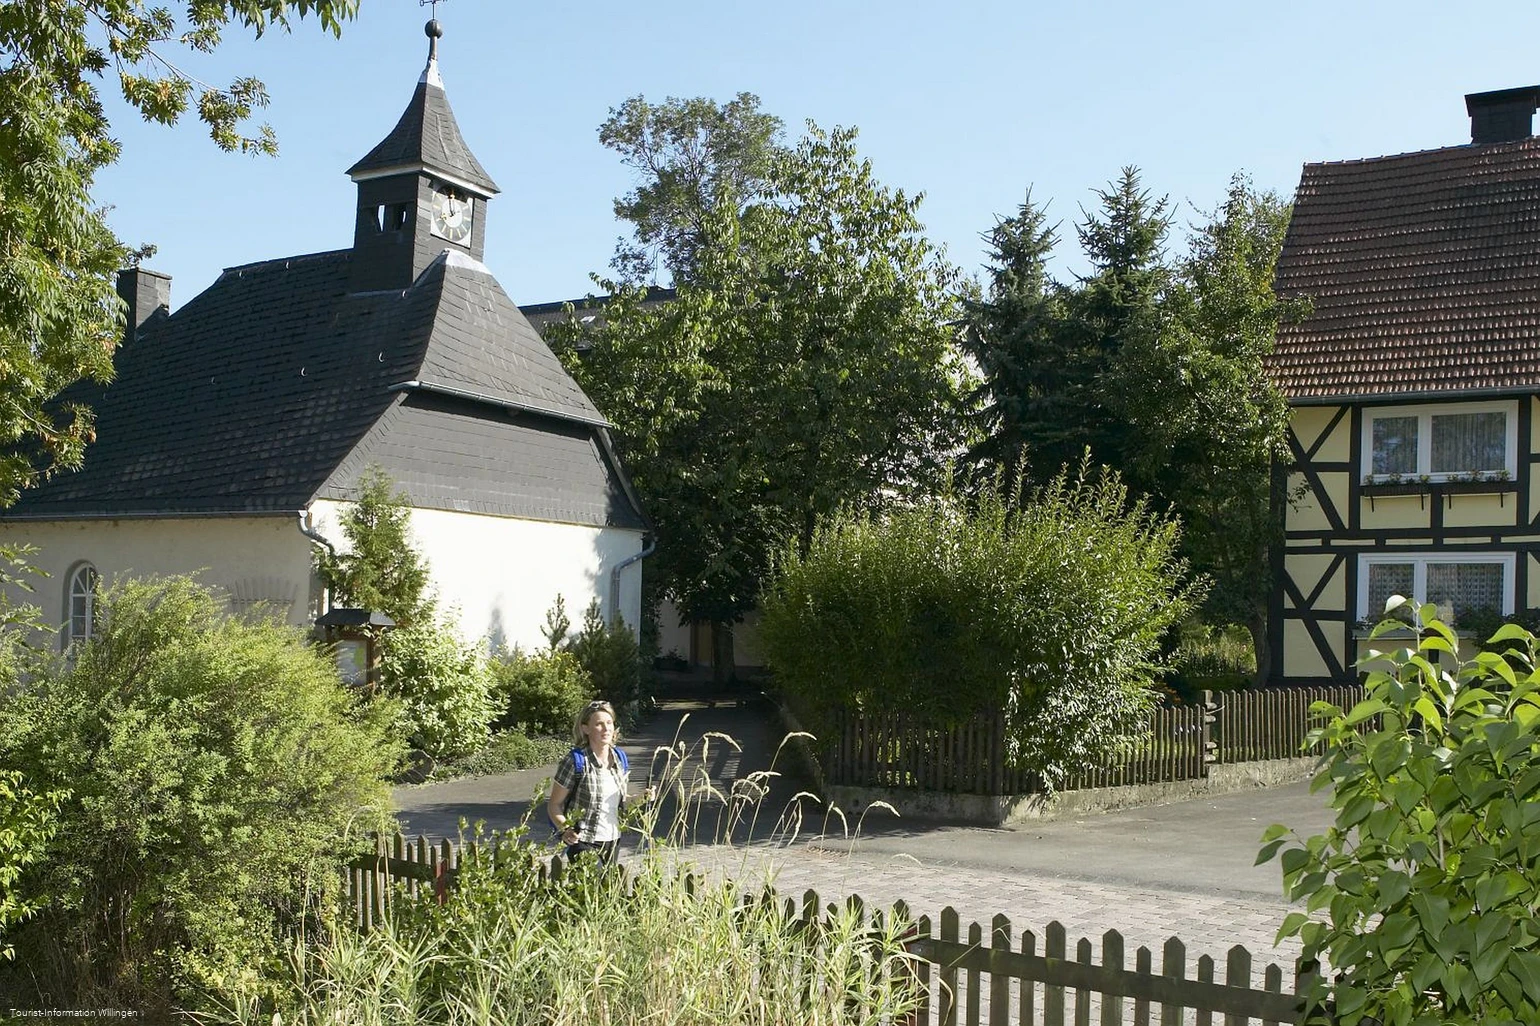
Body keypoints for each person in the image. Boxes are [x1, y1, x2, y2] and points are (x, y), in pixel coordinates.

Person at [546, 699, 651, 865]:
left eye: (609, 723)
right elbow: (554, 805)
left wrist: (641, 798)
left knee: (606, 889)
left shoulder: (620, 759)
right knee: (593, 882)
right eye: (599, 724)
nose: (606, 728)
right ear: (585, 728)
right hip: (583, 840)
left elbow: (621, 802)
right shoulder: (575, 761)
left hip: (612, 839)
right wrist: (565, 829)